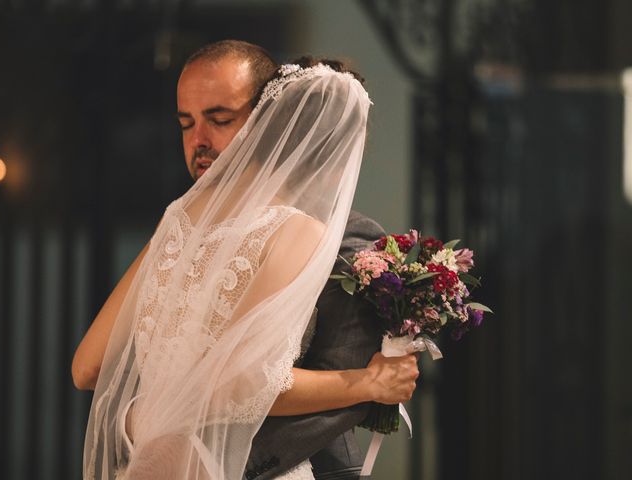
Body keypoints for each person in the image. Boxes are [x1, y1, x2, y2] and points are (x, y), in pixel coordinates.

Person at [72, 40, 419, 480]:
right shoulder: (293, 231)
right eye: (185, 124)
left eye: (219, 120)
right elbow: (240, 382)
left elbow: (88, 367)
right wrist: (370, 384)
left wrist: (147, 416)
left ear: (266, 122)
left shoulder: (175, 220)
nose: (198, 141)